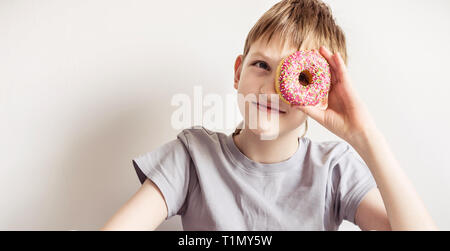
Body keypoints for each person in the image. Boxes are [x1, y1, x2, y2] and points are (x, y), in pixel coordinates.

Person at [101, 0, 437, 231]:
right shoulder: (192, 157)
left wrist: (364, 135)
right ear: (238, 72)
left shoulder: (334, 169)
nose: (271, 89)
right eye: (262, 65)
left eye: (297, 77)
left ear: (320, 91)